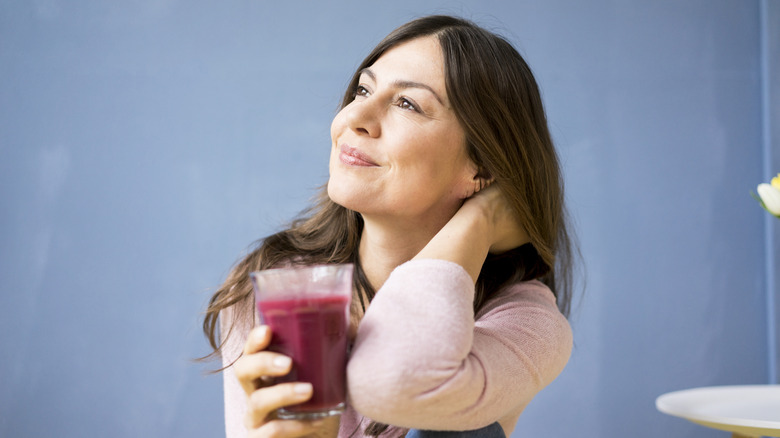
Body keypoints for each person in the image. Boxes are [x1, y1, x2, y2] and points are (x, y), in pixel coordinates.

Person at [203, 14, 576, 438]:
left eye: (407, 104)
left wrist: (483, 217)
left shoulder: (522, 321)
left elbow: (395, 381)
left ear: (482, 166)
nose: (355, 116)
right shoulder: (276, 283)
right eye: (363, 89)